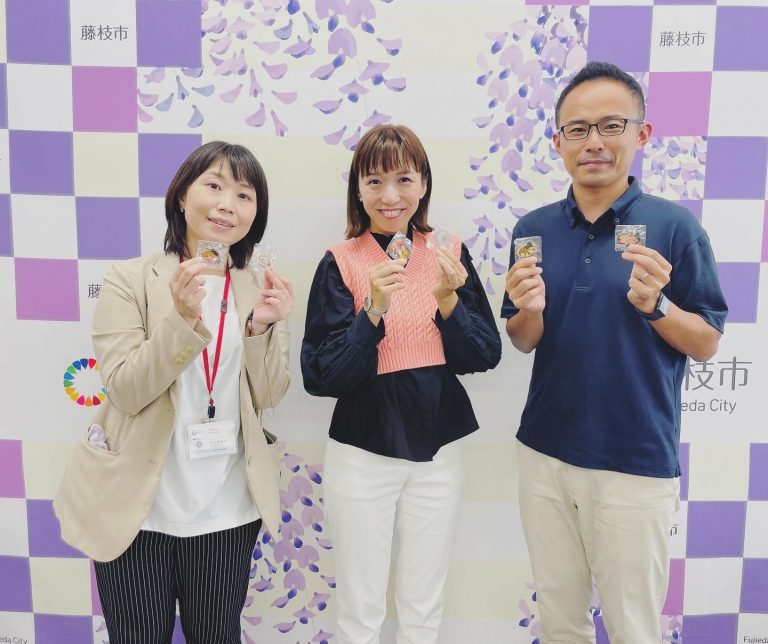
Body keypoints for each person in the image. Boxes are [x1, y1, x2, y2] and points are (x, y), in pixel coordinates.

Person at [502, 61, 728, 644]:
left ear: (641, 134)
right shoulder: (533, 229)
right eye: (577, 129)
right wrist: (529, 310)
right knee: (561, 621)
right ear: (558, 141)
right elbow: (522, 338)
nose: (594, 143)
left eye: (610, 125)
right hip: (544, 452)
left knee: (634, 629)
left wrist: (656, 305)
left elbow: (707, 342)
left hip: (634, 459)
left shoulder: (675, 228)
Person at [54, 141, 293, 643]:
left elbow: (269, 394)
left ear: (256, 214)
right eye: (214, 186)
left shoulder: (258, 287)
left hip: (227, 509)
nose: (227, 205)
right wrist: (182, 320)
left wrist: (261, 329)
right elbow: (126, 389)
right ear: (182, 196)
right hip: (138, 511)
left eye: (244, 195)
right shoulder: (130, 279)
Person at [301, 124, 501, 644]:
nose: (390, 196)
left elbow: (484, 354)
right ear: (358, 189)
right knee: (360, 608)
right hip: (362, 451)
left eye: (404, 179)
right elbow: (321, 376)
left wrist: (449, 301)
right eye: (375, 181)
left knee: (423, 604)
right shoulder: (341, 260)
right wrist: (372, 311)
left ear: (424, 184)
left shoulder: (449, 252)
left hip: (438, 448)